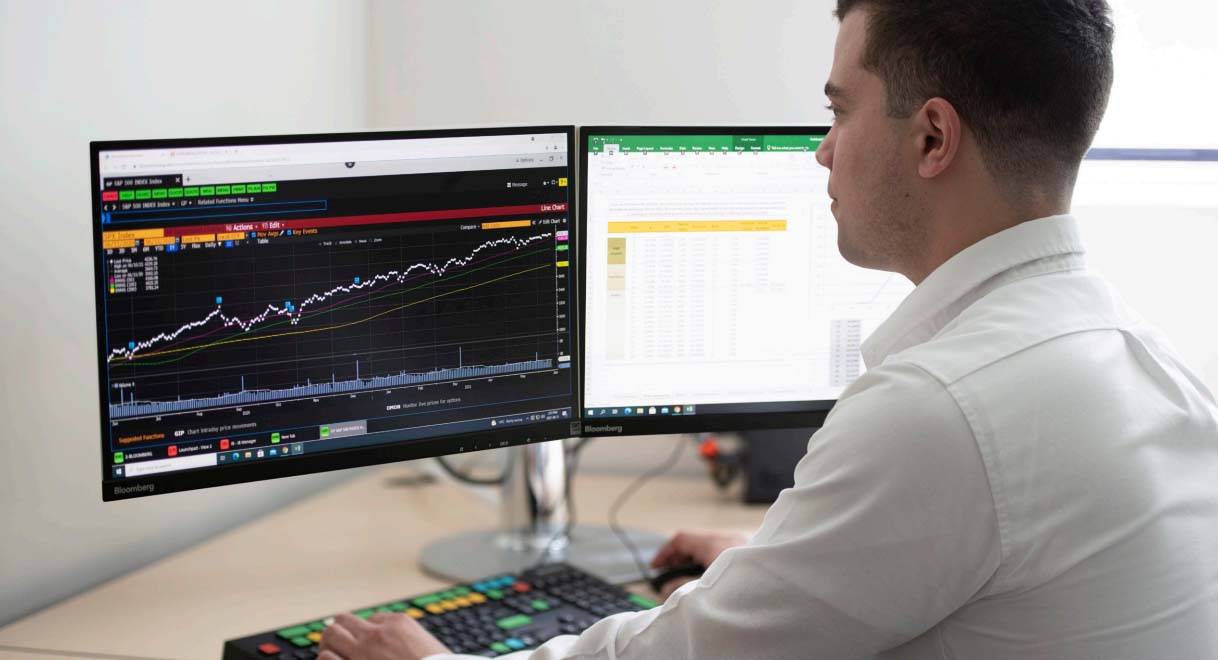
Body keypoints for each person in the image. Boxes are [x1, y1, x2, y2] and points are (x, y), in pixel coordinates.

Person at [319, 0, 1218, 658]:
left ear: (933, 139)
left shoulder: (941, 412)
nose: (822, 150)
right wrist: (777, 560)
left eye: (838, 109)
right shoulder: (1149, 358)